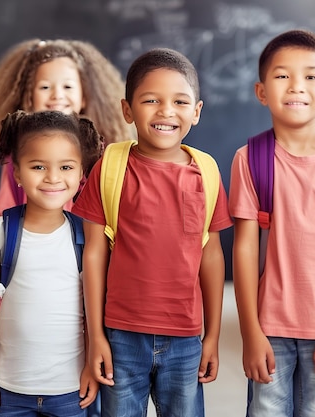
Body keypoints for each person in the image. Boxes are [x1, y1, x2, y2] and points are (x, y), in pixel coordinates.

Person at [72, 48, 232, 417]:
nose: (165, 111)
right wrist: (96, 335)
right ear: (128, 110)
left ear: (197, 111)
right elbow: (93, 254)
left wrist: (213, 337)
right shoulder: (111, 167)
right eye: (151, 100)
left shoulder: (206, 172)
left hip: (186, 339)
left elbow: (211, 255)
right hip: (121, 336)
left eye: (180, 101)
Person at [229, 29, 315, 417]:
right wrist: (250, 332)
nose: (296, 86)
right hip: (268, 324)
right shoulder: (249, 159)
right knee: (266, 411)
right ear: (261, 92)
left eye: (311, 76)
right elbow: (244, 247)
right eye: (282, 76)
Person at [0, 110, 104, 416]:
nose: (53, 177)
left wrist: (90, 368)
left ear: (81, 171)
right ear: (17, 172)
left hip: (71, 389)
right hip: (11, 388)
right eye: (38, 166)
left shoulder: (85, 235)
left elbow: (94, 307)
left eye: (66, 167)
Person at [0, 38, 134, 216]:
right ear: (29, 97)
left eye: (68, 86)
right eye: (45, 87)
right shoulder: (17, 155)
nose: (57, 95)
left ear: (85, 96)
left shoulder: (106, 157)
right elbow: (6, 216)